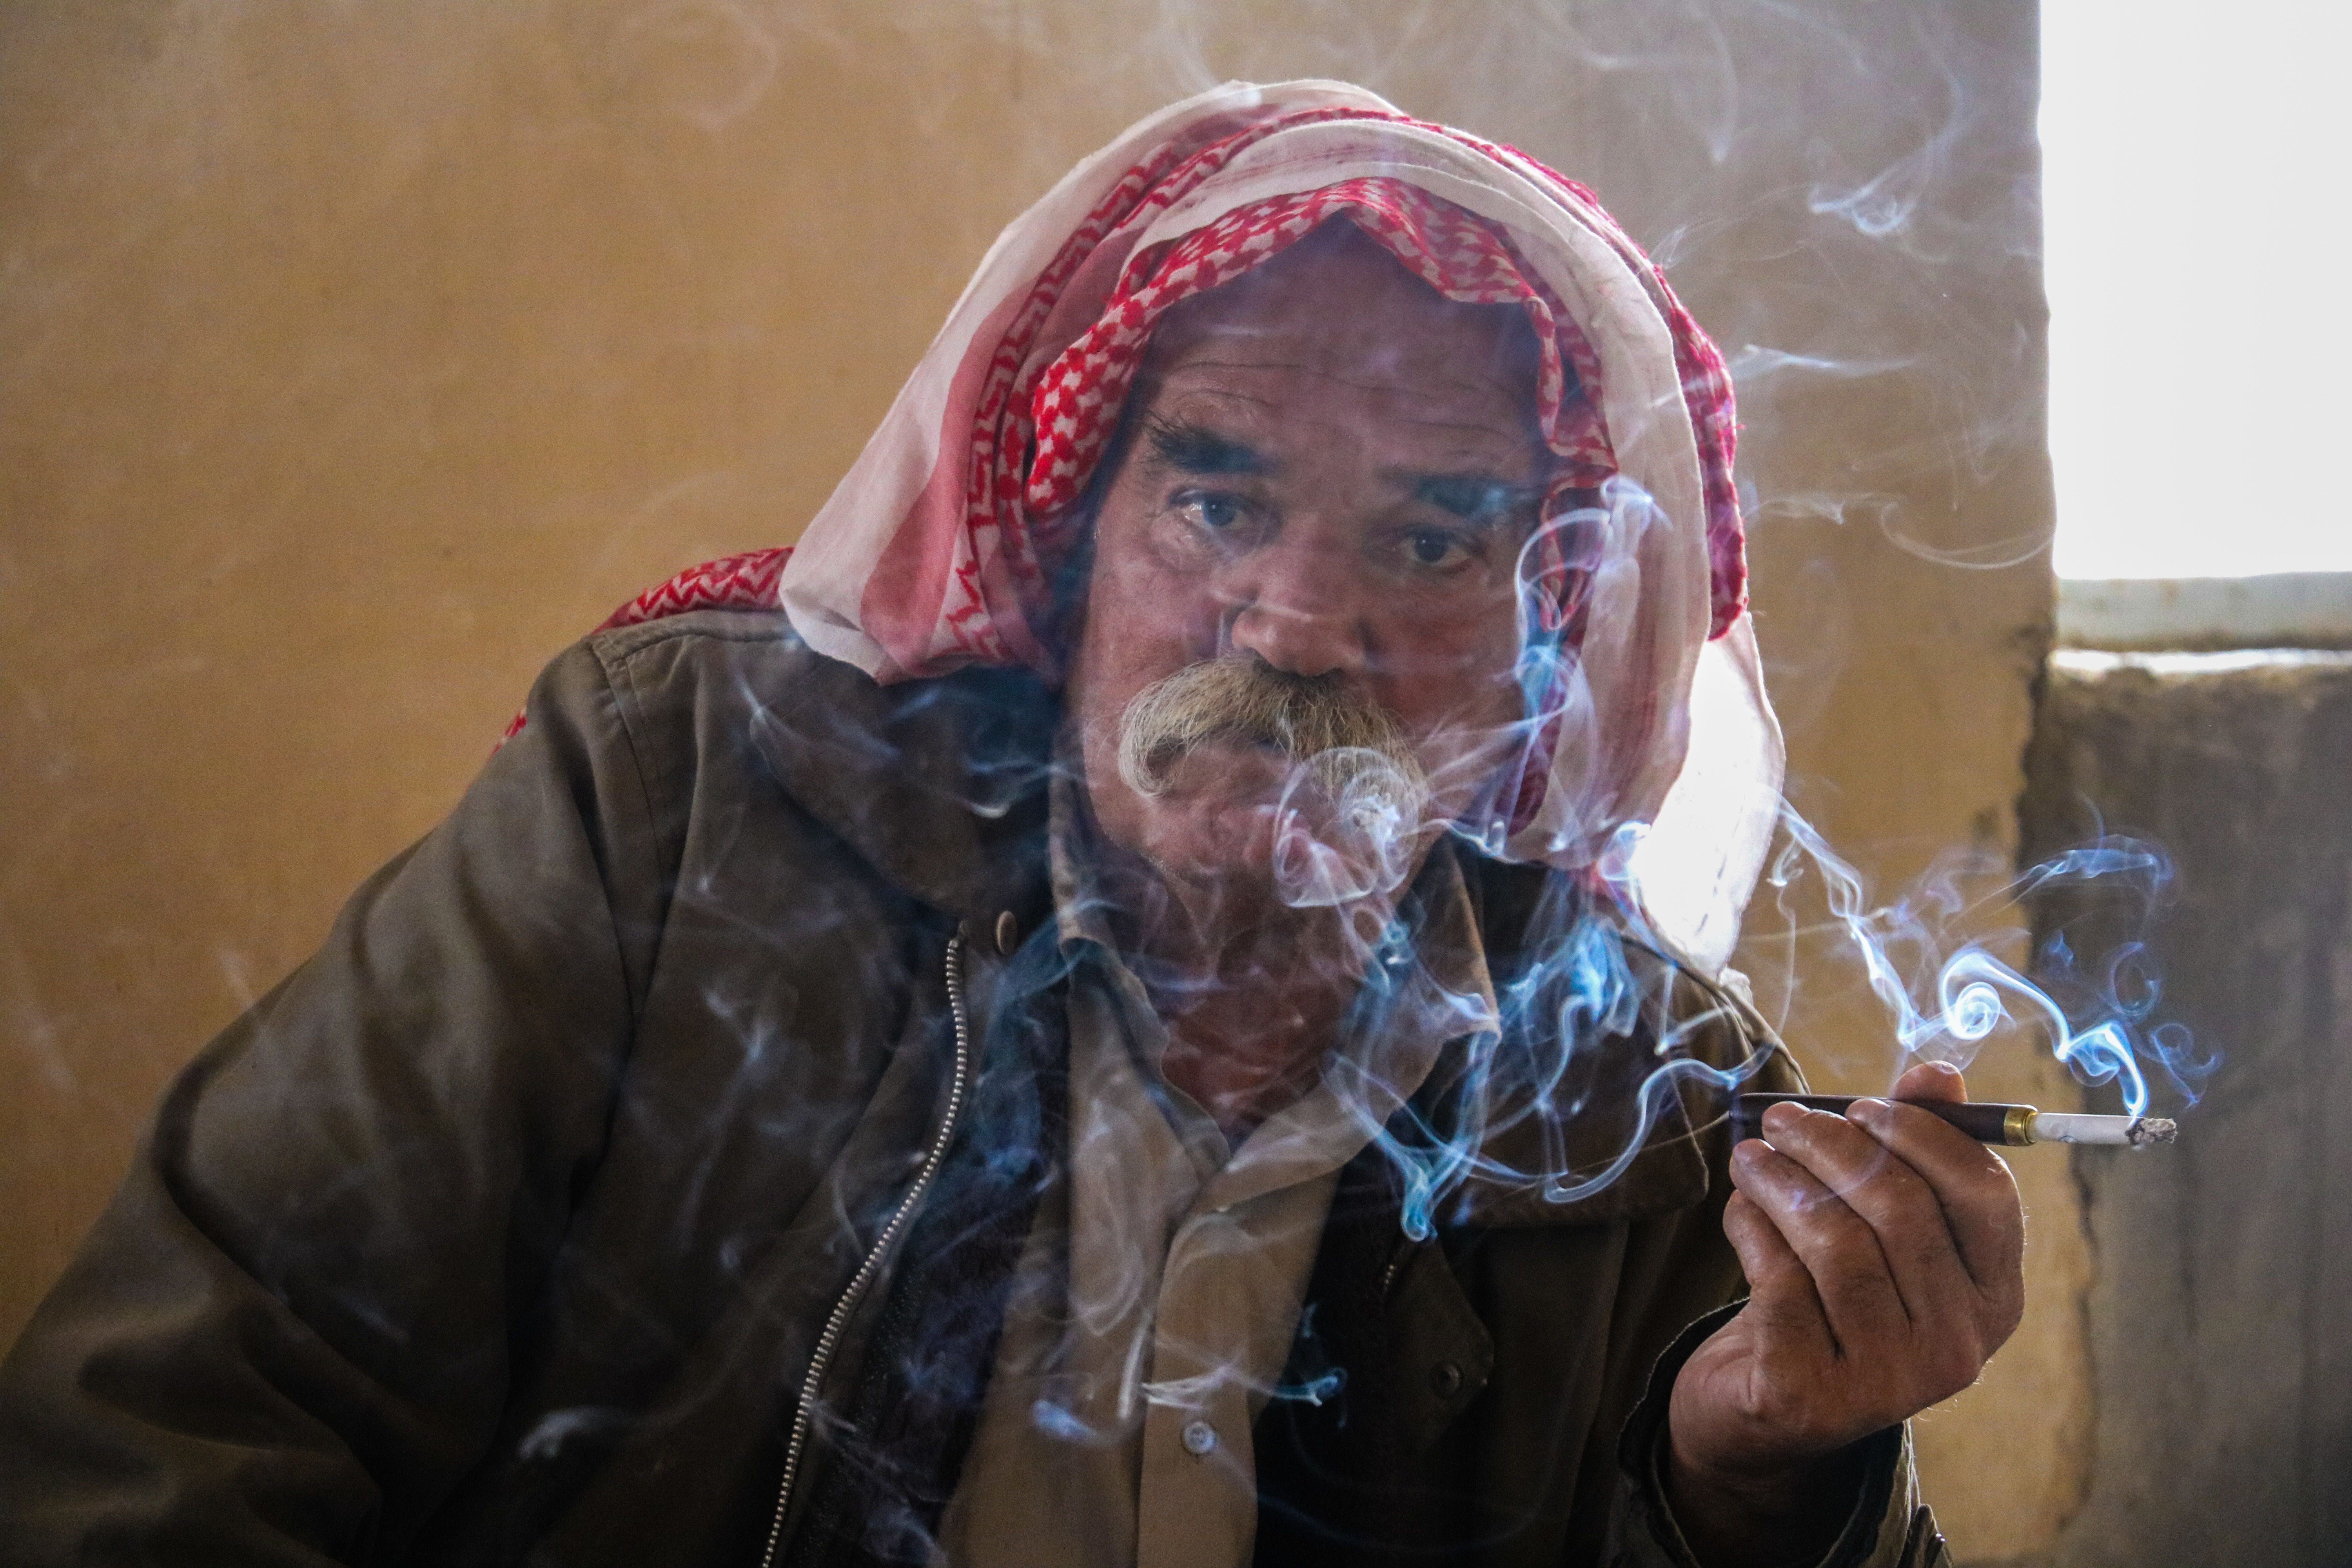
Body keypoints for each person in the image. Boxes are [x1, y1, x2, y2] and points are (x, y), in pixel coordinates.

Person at [0, 81, 2021, 1567]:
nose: (1297, 619)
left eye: (1431, 535)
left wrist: (1763, 1479)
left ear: (1547, 640)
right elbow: (178, 1417)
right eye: (1217, 499)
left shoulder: (1649, 1091)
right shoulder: (684, 813)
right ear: (1069, 543)